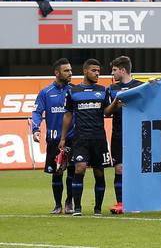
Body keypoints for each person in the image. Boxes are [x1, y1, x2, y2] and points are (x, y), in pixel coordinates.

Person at [57, 59, 111, 216]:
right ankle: (77, 208)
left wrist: (115, 103)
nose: (97, 74)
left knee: (99, 173)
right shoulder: (73, 91)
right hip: (80, 138)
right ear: (85, 71)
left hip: (99, 138)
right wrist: (63, 138)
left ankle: (98, 209)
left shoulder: (103, 90)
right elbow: (67, 115)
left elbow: (107, 112)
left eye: (99, 71)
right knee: (79, 169)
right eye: (94, 70)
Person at [29, 58, 74, 214]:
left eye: (70, 70)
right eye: (66, 70)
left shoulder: (74, 91)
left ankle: (69, 203)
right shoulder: (45, 92)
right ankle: (58, 205)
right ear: (57, 73)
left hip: (72, 138)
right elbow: (36, 112)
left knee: (73, 172)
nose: (70, 73)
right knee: (56, 173)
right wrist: (36, 129)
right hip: (54, 139)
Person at [103, 56, 143, 214]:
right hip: (118, 134)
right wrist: (115, 103)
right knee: (119, 169)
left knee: (136, 169)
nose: (112, 73)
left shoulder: (140, 86)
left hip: (138, 134)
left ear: (122, 70)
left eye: (114, 70)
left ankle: (136, 202)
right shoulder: (111, 89)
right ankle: (121, 203)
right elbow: (106, 112)